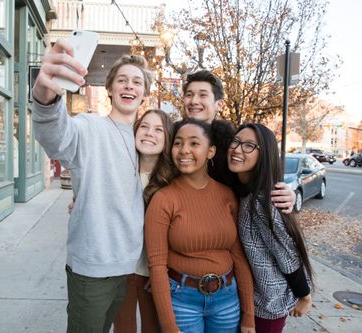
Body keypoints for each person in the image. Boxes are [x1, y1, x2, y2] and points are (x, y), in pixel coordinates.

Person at [31, 38, 154, 332]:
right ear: (109, 89)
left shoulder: (147, 138)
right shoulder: (90, 127)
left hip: (129, 267)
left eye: (137, 82)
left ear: (145, 93)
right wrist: (45, 96)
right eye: (121, 80)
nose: (129, 86)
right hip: (93, 268)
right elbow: (57, 136)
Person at [146, 118, 255, 333]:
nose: (184, 150)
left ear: (211, 151)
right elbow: (157, 266)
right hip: (182, 301)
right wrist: (169, 326)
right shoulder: (163, 199)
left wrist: (249, 316)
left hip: (227, 300)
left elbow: (239, 257)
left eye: (194, 143)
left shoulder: (227, 195)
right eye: (178, 143)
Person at [227, 123, 313, 333]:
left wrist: (304, 295)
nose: (237, 149)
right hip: (249, 300)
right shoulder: (244, 192)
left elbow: (287, 254)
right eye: (235, 142)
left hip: (267, 306)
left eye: (249, 146)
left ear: (264, 154)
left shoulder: (263, 201)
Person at [181, 70, 296, 212]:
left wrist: (288, 194)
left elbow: (256, 180)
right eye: (189, 95)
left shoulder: (232, 143)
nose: (194, 101)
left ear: (220, 104)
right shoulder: (170, 138)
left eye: (203, 95)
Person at [113, 109, 176, 333]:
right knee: (123, 327)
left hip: (154, 272)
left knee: (153, 328)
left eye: (159, 129)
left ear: (167, 138)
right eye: (144, 126)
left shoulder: (173, 182)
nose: (150, 133)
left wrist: (163, 271)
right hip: (120, 270)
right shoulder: (118, 172)